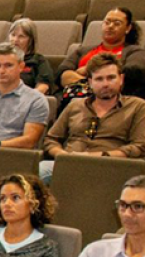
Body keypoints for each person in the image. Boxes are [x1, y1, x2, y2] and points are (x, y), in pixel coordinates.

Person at [41, 53, 145, 183]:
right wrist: (62, 155)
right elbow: (51, 139)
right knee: (39, 171)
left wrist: (99, 156)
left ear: (121, 79)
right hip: (70, 163)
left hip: (112, 166)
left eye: (111, 78)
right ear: (90, 82)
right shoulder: (75, 105)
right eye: (99, 79)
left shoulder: (137, 106)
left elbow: (139, 147)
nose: (105, 84)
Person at [57, 7, 145, 92]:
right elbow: (63, 74)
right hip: (77, 100)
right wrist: (98, 84)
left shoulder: (136, 52)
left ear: (128, 28)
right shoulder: (83, 51)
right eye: (107, 22)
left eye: (117, 23)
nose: (110, 26)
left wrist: (89, 69)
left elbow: (132, 73)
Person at [0, 19, 54, 95]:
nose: (15, 40)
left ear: (31, 40)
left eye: (21, 36)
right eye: (13, 35)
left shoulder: (39, 60)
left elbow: (43, 87)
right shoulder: (0, 58)